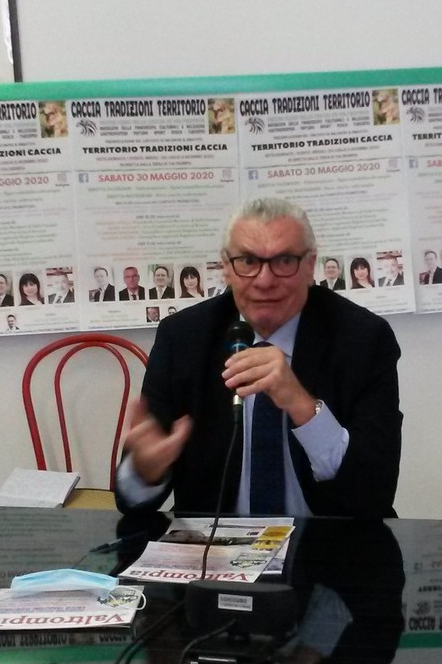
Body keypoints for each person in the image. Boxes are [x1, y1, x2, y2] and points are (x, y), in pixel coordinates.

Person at [116, 197, 401, 519]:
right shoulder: (183, 339)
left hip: (328, 539)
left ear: (310, 265)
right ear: (226, 268)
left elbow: (374, 494)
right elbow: (131, 501)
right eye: (248, 261)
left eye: (284, 261)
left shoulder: (363, 339)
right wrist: (144, 472)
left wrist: (302, 405)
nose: (265, 281)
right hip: (216, 542)